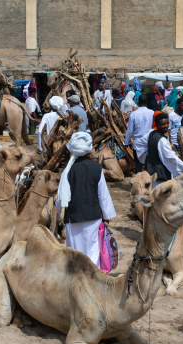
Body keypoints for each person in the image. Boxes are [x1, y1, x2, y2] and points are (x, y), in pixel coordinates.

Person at [57, 132, 116, 267]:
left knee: (76, 252)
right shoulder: (96, 168)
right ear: (89, 148)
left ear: (72, 149)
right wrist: (106, 216)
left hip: (74, 218)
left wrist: (58, 210)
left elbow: (61, 197)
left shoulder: (67, 170)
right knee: (92, 252)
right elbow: (103, 195)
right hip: (93, 218)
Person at [136, 112, 183, 188]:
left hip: (151, 170)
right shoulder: (162, 141)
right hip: (161, 173)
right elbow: (171, 157)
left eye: (167, 123)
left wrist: (147, 158)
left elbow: (139, 144)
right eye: (163, 124)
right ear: (157, 125)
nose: (166, 126)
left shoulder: (151, 133)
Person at [124, 94, 154, 173]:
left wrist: (126, 142)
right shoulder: (152, 113)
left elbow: (130, 130)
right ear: (147, 102)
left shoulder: (133, 114)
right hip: (149, 143)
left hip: (137, 144)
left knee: (138, 167)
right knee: (149, 166)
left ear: (138, 102)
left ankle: (139, 183)